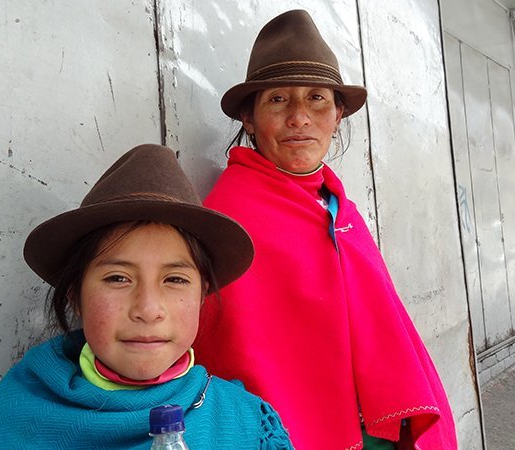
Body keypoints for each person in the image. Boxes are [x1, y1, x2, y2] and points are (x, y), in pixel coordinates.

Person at [193, 9, 457, 450]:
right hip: (295, 433)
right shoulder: (230, 215)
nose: (299, 117)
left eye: (317, 98)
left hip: (377, 428)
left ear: (337, 115)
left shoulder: (341, 209)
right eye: (278, 99)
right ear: (249, 119)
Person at [0, 144, 293, 449]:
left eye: (175, 279)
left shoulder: (245, 425)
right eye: (118, 278)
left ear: (202, 292)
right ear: (75, 294)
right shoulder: (16, 417)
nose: (148, 309)